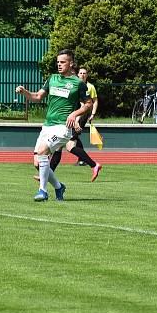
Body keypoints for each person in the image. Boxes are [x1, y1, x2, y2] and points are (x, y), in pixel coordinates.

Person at [16, 49, 92, 202]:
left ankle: (42, 191)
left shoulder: (78, 83)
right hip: (48, 125)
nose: (59, 64)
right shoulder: (52, 79)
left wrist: (74, 114)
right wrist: (25, 92)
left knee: (43, 151)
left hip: (63, 127)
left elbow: (88, 104)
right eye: (58, 62)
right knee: (38, 163)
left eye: (62, 62)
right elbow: (37, 97)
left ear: (71, 64)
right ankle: (59, 187)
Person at [44, 66, 102, 182]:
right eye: (80, 73)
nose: (82, 75)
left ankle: (93, 164)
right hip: (71, 117)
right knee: (61, 147)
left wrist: (78, 120)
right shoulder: (72, 83)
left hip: (78, 116)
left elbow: (88, 103)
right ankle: (46, 175)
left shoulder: (84, 86)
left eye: (84, 73)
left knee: (69, 146)